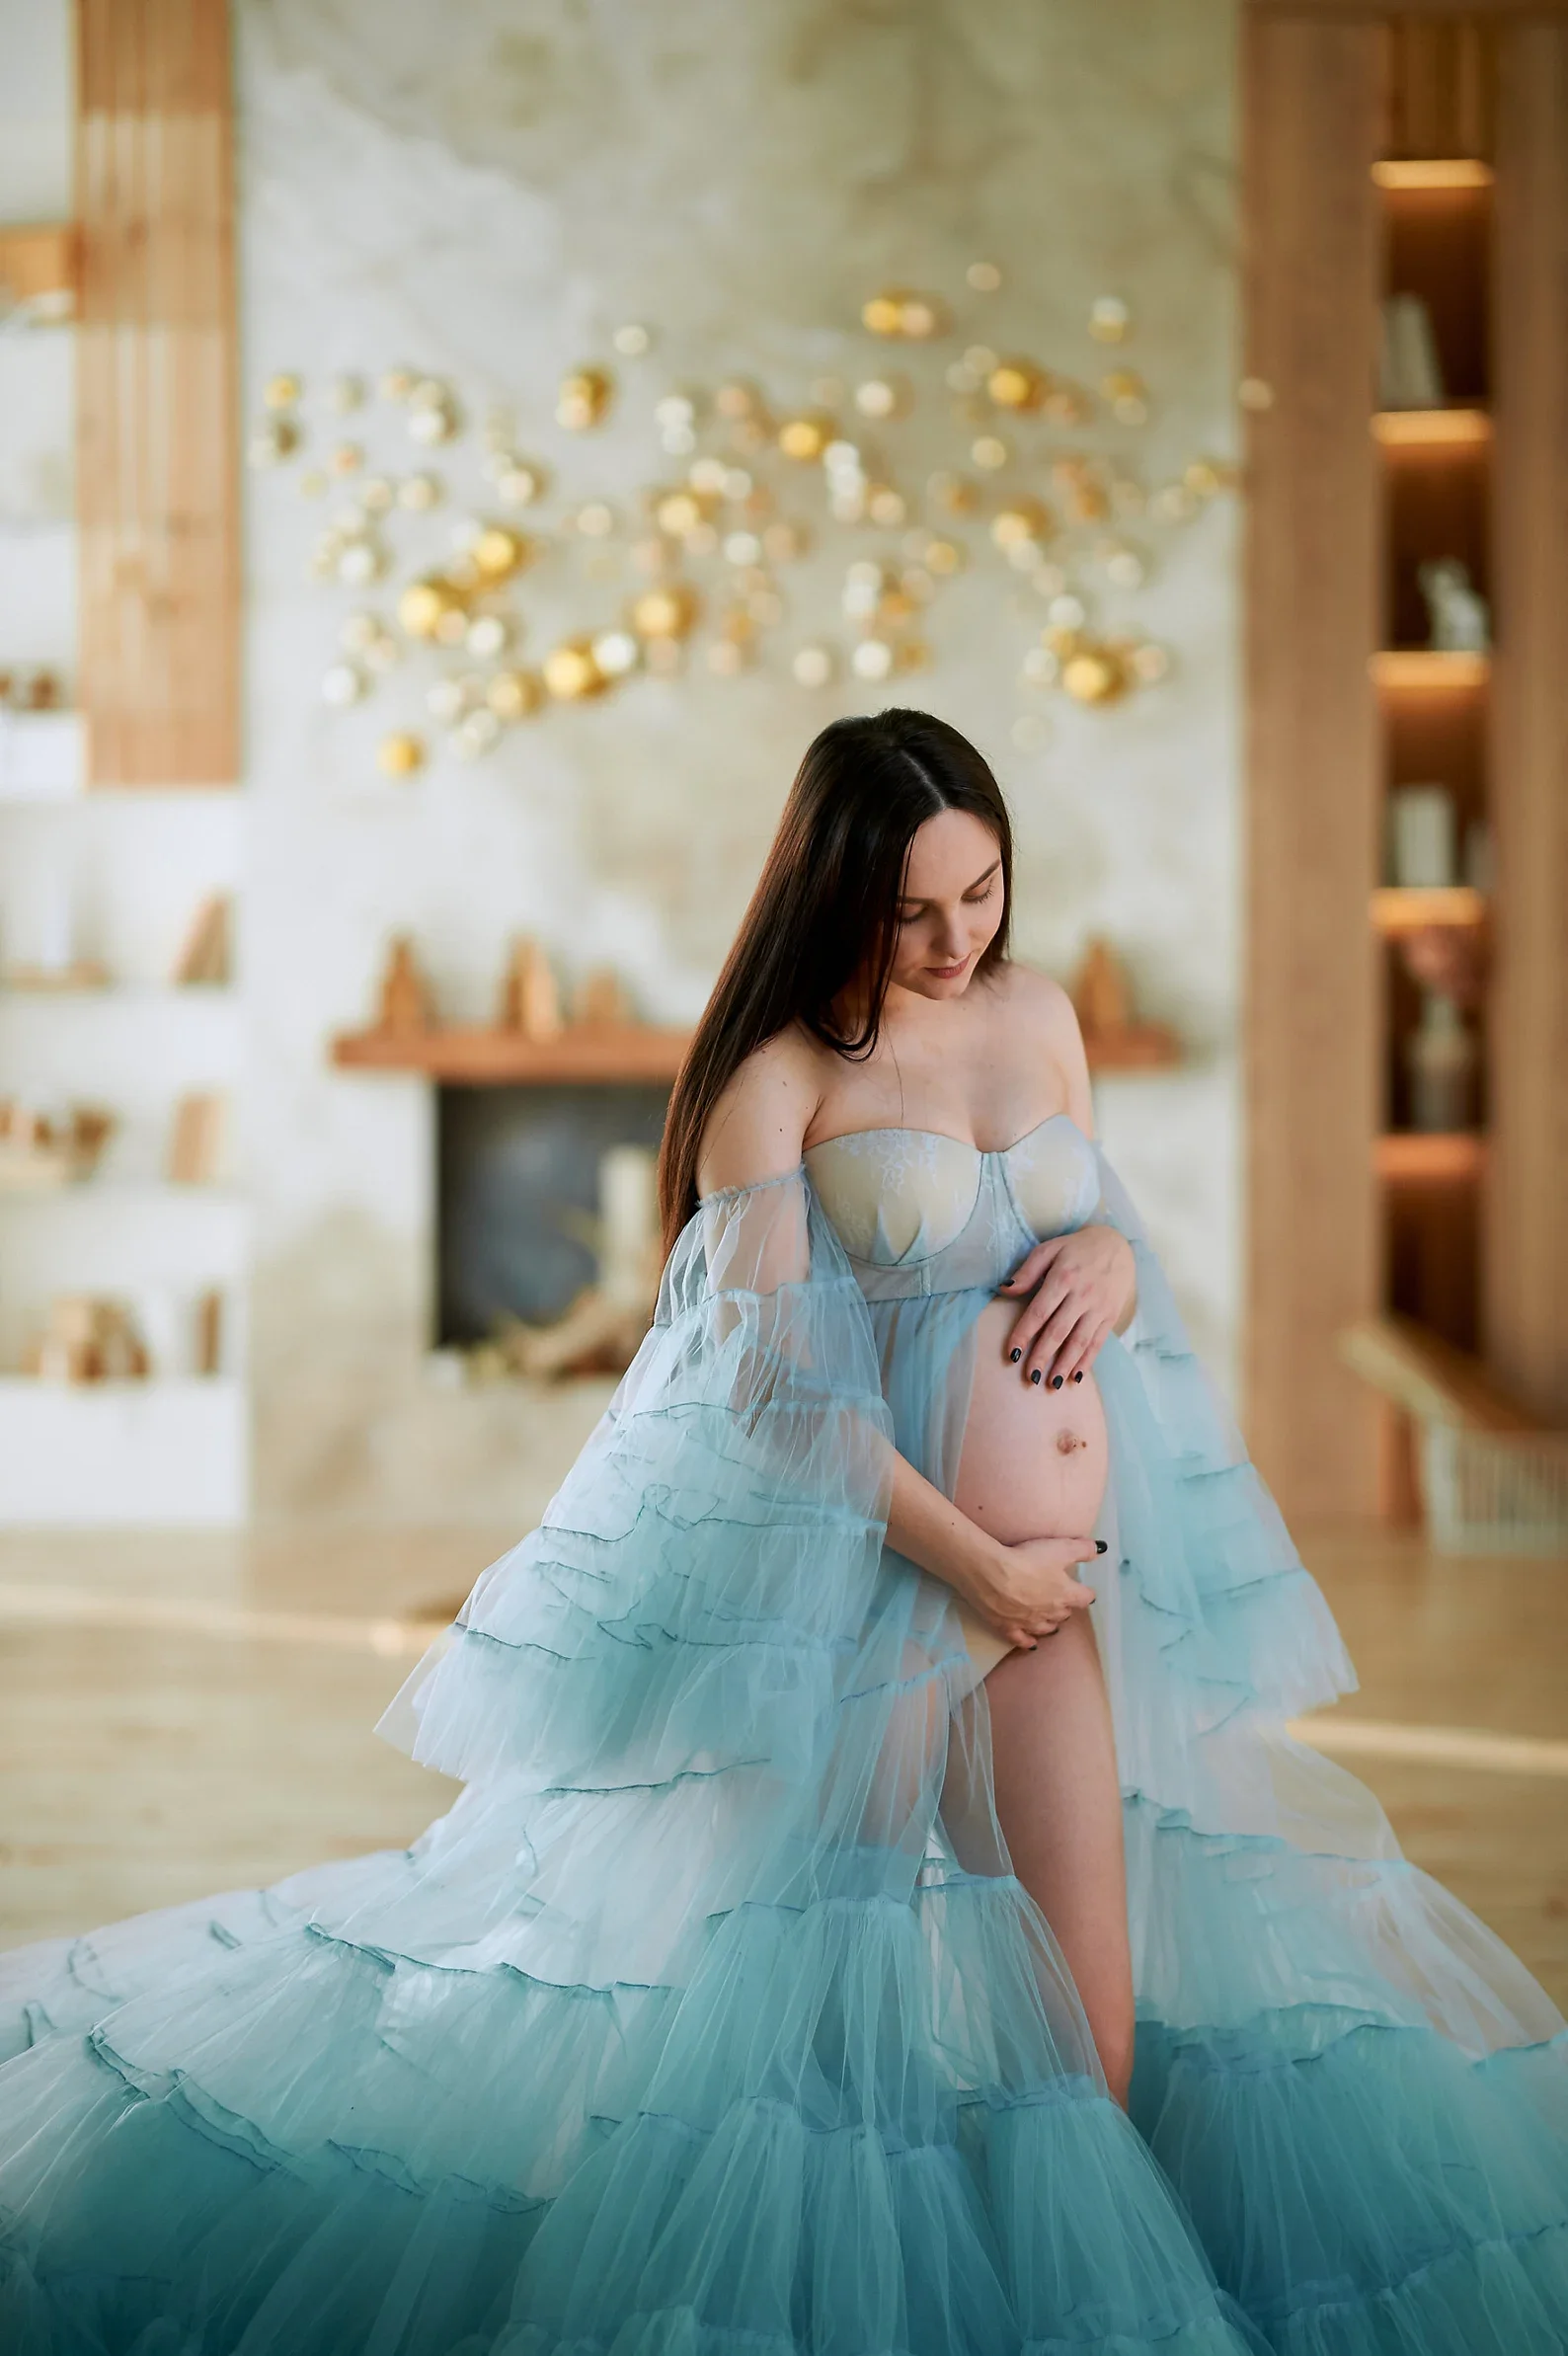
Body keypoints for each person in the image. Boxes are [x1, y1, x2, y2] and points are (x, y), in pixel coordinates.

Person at [0, 709, 1563, 2356]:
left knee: (1088, 2038)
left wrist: (1109, 1260)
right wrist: (976, 1570)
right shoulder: (778, 1078)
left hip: (1053, 1602)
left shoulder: (1039, 1015)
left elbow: (1085, 1225)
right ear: (835, 897)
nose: (960, 941)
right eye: (916, 911)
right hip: (876, 1601)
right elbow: (770, 1392)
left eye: (984, 894)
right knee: (819, 2053)